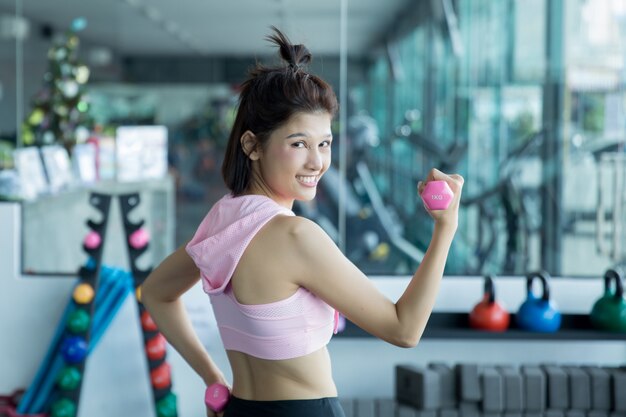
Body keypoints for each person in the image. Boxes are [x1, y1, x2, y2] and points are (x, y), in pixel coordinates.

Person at [141, 27, 464, 417]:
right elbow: (404, 329)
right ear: (252, 145)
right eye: (298, 144)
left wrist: (214, 381)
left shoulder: (221, 222)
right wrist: (445, 229)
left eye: (324, 143)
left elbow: (156, 293)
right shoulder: (296, 236)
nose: (317, 162)